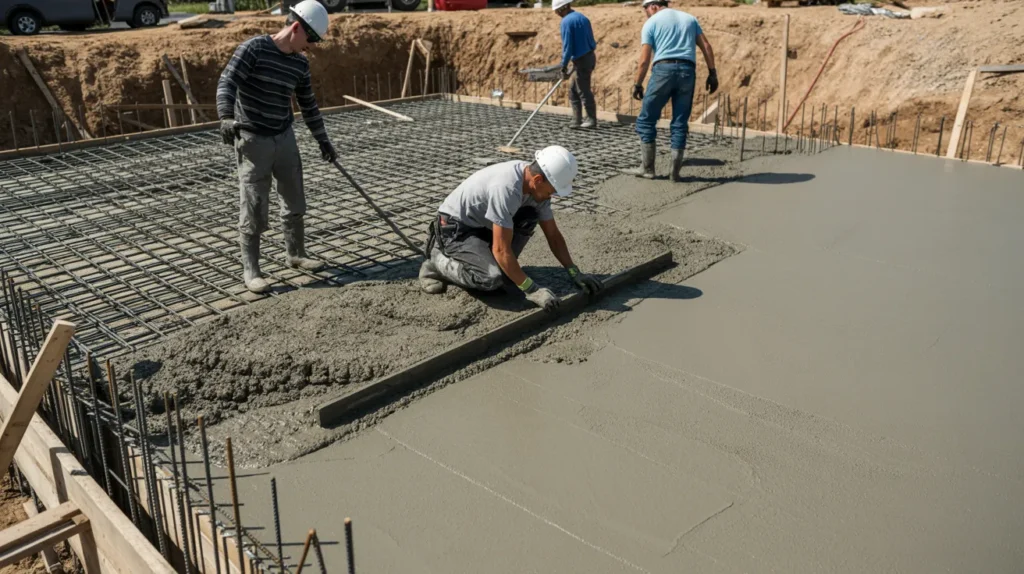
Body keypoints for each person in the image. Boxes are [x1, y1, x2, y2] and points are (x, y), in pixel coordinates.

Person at [216, 0, 340, 294]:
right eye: (310, 38)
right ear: (296, 27)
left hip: (284, 137)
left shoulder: (299, 63)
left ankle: (296, 254)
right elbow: (227, 82)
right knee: (254, 204)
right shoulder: (253, 49)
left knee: (294, 198)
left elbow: (309, 105)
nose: (311, 46)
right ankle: (252, 270)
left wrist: (323, 139)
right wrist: (225, 117)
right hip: (253, 140)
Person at [418, 146, 603, 312]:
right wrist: (532, 290)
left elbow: (553, 235)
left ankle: (501, 266)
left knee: (529, 216)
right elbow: (501, 249)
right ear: (538, 179)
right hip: (456, 229)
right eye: (551, 191)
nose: (551, 196)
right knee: (490, 278)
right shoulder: (506, 188)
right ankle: (436, 263)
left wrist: (574, 272)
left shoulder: (536, 188)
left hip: (482, 224)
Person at [623, 0, 717, 181]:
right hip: (687, 71)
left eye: (645, 10)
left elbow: (644, 60)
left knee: (646, 120)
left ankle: (648, 169)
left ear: (653, 6)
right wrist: (712, 73)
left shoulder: (651, 22)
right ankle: (675, 172)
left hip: (663, 71)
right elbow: (706, 46)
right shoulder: (690, 19)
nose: (646, 14)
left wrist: (638, 84)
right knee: (680, 122)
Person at [553, 0, 598, 129]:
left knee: (583, 90)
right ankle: (577, 119)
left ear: (563, 8)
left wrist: (563, 65)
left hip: (582, 60)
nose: (557, 14)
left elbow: (568, 46)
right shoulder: (582, 17)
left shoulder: (566, 22)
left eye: (557, 11)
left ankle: (591, 119)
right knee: (573, 90)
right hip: (588, 57)